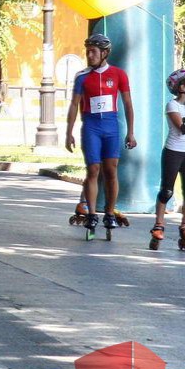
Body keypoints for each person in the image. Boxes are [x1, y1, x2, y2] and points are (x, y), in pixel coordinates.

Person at [65, 33, 137, 234]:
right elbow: (74, 105)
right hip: (91, 127)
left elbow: (128, 104)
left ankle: (109, 213)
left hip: (111, 127)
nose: (89, 55)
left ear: (104, 53)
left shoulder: (119, 74)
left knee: (111, 170)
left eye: (93, 51)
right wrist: (69, 132)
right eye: (87, 51)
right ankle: (91, 214)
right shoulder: (82, 76)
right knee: (93, 169)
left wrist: (131, 132)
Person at [149, 69, 185, 251]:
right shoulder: (172, 106)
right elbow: (184, 128)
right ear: (182, 87)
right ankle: (159, 225)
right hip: (173, 152)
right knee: (167, 191)